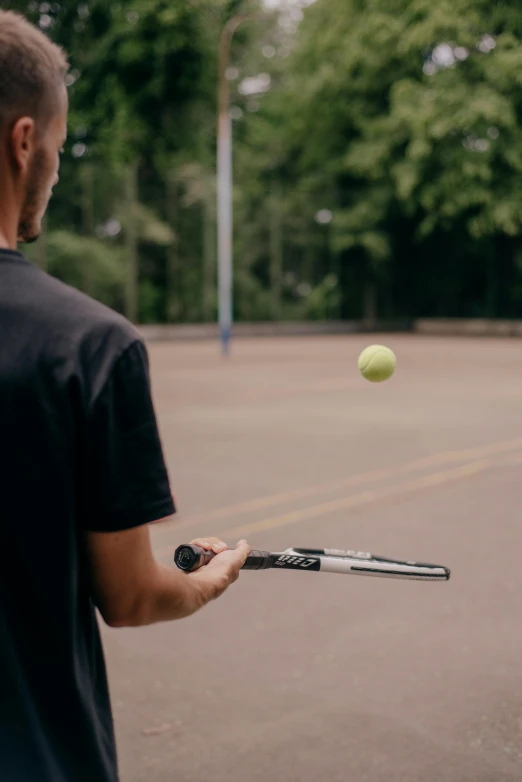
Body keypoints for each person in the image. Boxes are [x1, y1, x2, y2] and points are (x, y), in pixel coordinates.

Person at [0, 11, 251, 782]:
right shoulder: (88, 345)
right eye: (59, 146)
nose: (55, 166)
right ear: (23, 141)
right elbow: (131, 596)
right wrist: (204, 580)